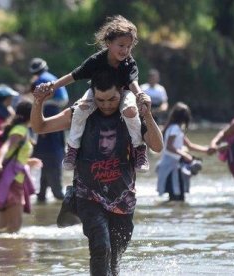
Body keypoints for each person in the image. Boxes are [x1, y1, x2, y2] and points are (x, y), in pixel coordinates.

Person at [31, 71, 163, 275]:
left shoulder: (131, 115)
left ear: (121, 92)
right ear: (93, 94)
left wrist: (147, 113)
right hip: (88, 196)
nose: (107, 104)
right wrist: (38, 101)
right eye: (100, 100)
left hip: (123, 199)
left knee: (114, 259)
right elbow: (40, 127)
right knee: (101, 247)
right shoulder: (79, 114)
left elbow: (157, 145)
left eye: (112, 99)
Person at [36, 15, 150, 173]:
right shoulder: (96, 60)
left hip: (123, 93)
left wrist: (140, 96)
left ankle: (139, 149)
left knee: (130, 110)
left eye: (129, 46)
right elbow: (73, 76)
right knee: (80, 110)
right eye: (121, 45)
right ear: (109, 43)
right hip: (96, 91)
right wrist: (52, 86)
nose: (125, 50)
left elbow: (133, 83)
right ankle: (73, 149)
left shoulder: (128, 63)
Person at [0, 101, 42, 233]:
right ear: (31, 115)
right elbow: (6, 147)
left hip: (9, 179)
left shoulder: (22, 130)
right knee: (15, 225)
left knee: (4, 226)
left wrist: (28, 161)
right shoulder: (20, 130)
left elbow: (14, 155)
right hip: (13, 181)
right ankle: (12, 253)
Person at [157, 102, 215, 201]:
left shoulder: (177, 129)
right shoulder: (175, 128)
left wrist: (206, 150)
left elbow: (190, 146)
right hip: (171, 166)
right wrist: (184, 155)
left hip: (176, 165)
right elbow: (169, 147)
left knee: (179, 195)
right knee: (176, 196)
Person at [29, 57, 68, 202]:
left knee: (57, 192)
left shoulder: (47, 109)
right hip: (53, 150)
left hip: (50, 151)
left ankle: (68, 211)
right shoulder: (53, 78)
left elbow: (41, 129)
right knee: (42, 193)